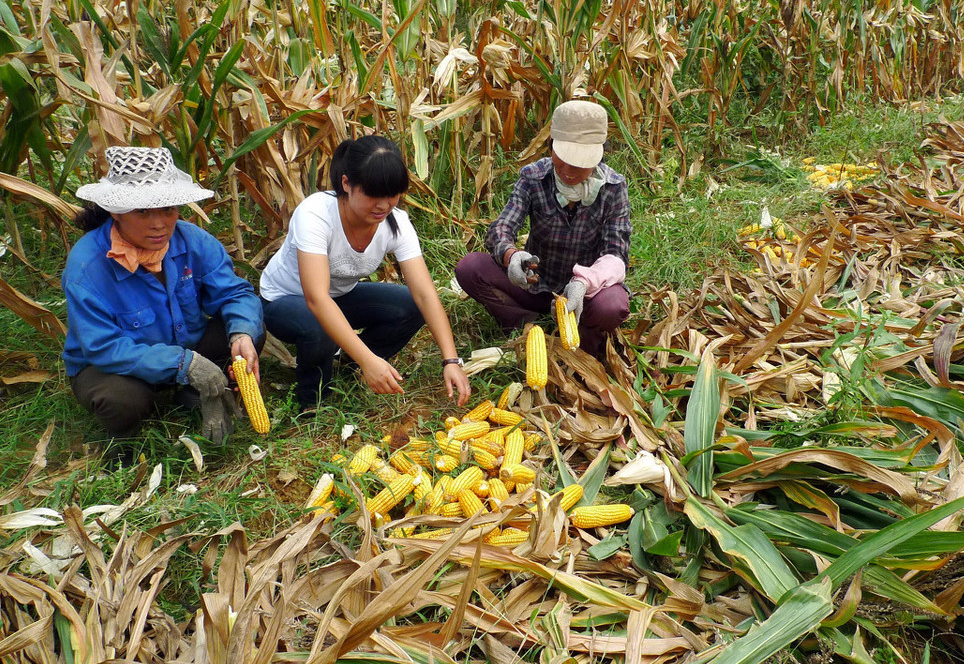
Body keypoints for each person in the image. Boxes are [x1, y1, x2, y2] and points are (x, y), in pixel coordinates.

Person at [63, 146, 265, 452]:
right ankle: (127, 434)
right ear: (115, 212)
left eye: (168, 209)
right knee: (121, 402)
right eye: (143, 211)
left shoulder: (193, 241)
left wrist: (242, 333)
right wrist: (185, 364)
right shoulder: (87, 266)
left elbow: (235, 293)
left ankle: (194, 393)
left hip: (186, 344)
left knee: (248, 333)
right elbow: (103, 346)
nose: (159, 223)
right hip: (114, 364)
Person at [259, 135, 471, 411]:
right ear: (346, 184)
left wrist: (451, 360)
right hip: (285, 300)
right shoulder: (315, 215)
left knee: (409, 305)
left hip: (340, 297)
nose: (384, 205)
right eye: (373, 195)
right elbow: (317, 299)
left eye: (392, 194)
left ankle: (347, 364)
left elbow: (425, 294)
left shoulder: (396, 223)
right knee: (319, 326)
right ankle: (313, 403)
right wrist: (368, 360)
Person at [455, 100, 631, 359]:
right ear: (551, 146)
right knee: (470, 268)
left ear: (599, 155)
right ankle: (524, 324)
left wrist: (583, 283)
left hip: (585, 292)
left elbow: (616, 255)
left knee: (613, 305)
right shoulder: (533, 177)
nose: (569, 171)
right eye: (563, 160)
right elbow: (502, 227)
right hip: (537, 285)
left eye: (580, 163)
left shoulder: (614, 188)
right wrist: (512, 255)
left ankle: (586, 340)